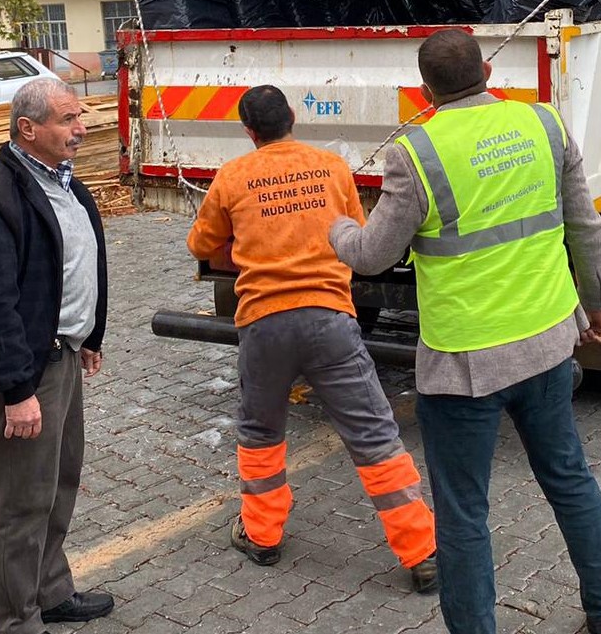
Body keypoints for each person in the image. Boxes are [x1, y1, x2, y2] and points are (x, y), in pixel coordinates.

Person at [330, 29, 601, 634]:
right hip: (547, 344)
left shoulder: (416, 153)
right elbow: (584, 225)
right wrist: (596, 304)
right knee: (570, 480)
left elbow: (370, 256)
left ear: (424, 91)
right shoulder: (544, 126)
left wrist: (335, 228)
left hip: (463, 366)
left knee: (464, 511)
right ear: (489, 72)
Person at [186, 85, 438, 592]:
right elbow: (356, 231)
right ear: (292, 119)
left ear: (249, 131)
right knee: (373, 435)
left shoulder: (233, 176)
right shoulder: (332, 167)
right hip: (330, 321)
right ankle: (421, 552)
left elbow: (201, 243)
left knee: (260, 433)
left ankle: (261, 536)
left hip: (264, 323)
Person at [0, 78, 114, 634]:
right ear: (29, 128)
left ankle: (50, 591)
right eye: (68, 119)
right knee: (20, 503)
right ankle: (17, 619)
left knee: (60, 482)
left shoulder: (66, 184)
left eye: (80, 117)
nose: (81, 128)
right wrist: (17, 392)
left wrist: (90, 335)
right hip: (25, 371)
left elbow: (78, 262)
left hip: (62, 355)